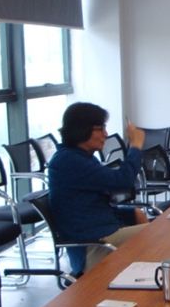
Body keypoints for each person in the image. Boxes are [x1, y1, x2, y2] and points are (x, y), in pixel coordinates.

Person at [48, 102, 148, 277]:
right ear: (82, 129)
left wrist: (132, 213)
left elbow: (98, 199)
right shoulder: (69, 161)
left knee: (141, 217)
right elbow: (123, 182)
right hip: (93, 246)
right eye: (100, 129)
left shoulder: (80, 157)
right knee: (161, 234)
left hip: (103, 233)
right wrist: (136, 146)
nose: (106, 134)